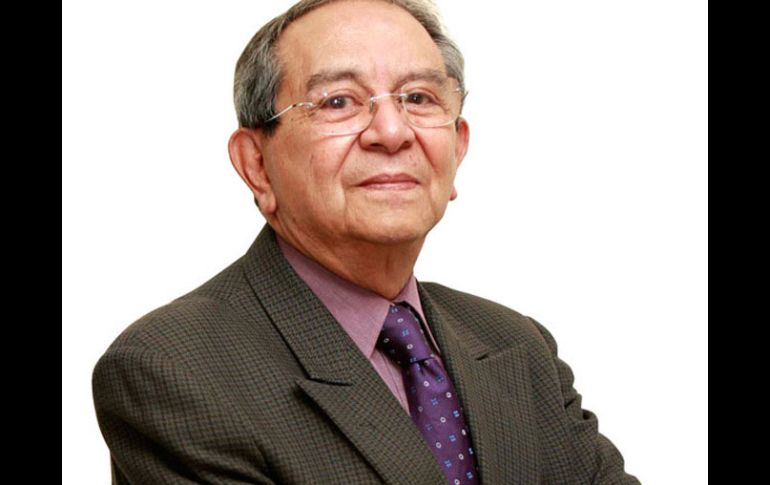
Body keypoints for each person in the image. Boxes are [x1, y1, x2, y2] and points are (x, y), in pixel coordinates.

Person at [92, 1, 641, 483]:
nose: (392, 132)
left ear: (457, 148)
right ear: (256, 164)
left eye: (419, 97)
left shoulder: (516, 343)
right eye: (338, 102)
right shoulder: (174, 368)